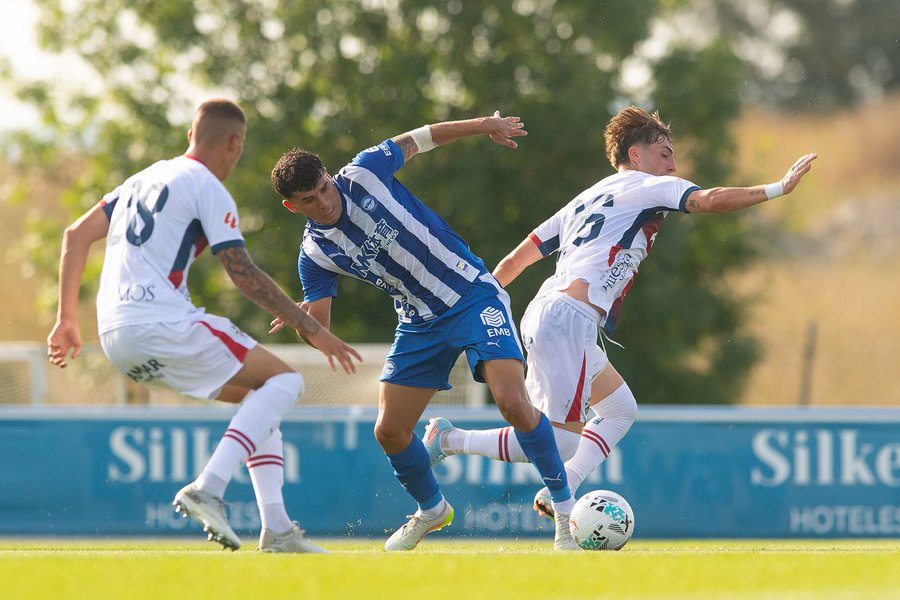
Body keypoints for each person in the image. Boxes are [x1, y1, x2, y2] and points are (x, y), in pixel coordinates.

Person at [423, 106, 817, 521]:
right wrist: (777, 188)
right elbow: (708, 200)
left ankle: (564, 487)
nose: (673, 165)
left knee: (619, 410)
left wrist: (479, 306)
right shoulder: (647, 187)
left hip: (556, 314)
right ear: (635, 156)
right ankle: (451, 440)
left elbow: (517, 258)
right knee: (560, 442)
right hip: (568, 319)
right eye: (665, 153)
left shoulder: (585, 198)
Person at [47, 98, 362, 553]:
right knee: (286, 382)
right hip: (159, 321)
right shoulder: (207, 186)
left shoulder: (140, 180)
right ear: (235, 143)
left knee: (262, 397)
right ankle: (208, 487)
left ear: (191, 135)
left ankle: (276, 529)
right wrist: (314, 329)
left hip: (115, 336)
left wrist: (66, 320)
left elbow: (75, 235)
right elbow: (243, 273)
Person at [269, 112, 579, 551]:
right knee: (389, 431)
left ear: (328, 175)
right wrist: (300, 320)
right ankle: (433, 510)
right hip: (418, 322)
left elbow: (422, 137)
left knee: (512, 401)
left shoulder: (362, 172)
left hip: (471, 294)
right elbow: (319, 327)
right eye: (310, 199)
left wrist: (486, 125)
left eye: (324, 187)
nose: (324, 201)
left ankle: (564, 511)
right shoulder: (314, 253)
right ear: (292, 206)